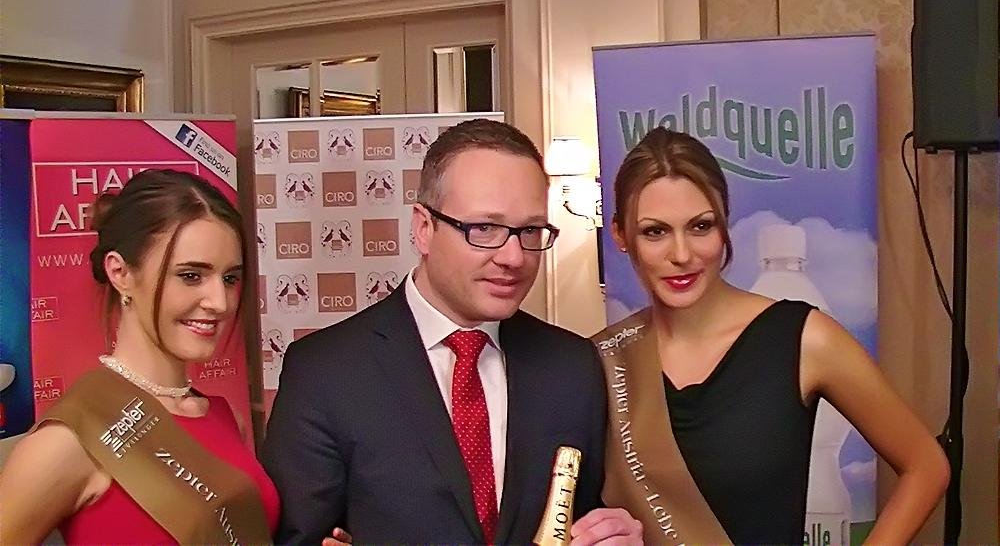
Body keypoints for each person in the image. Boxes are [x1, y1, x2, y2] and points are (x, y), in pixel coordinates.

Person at [263, 119, 641, 544]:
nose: (514, 257)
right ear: (424, 228)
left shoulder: (571, 366)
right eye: (484, 229)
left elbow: (585, 515)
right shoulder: (325, 372)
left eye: (530, 230)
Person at [594, 128, 950, 545]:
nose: (682, 254)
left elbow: (927, 466)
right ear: (620, 235)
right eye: (655, 231)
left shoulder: (804, 340)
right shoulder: (602, 359)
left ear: (724, 223)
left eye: (701, 226)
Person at [0, 169, 279, 545]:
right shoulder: (66, 443)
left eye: (229, 278)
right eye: (191, 276)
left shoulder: (227, 419)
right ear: (120, 272)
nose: (220, 302)